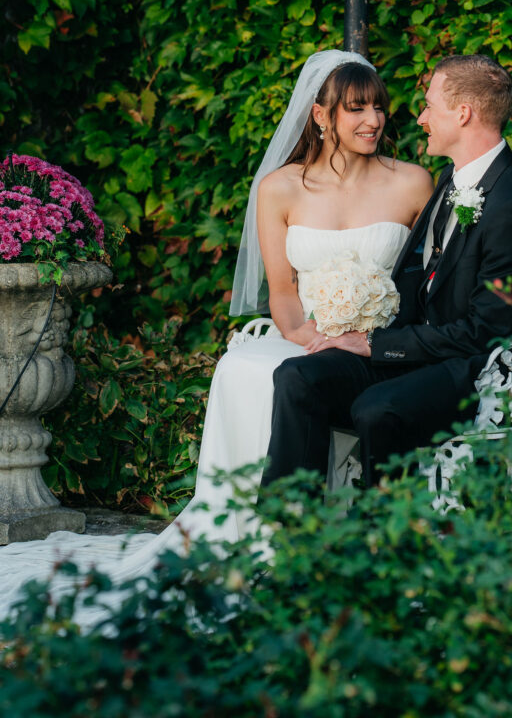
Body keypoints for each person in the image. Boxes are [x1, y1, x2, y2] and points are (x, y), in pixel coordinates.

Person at [0, 49, 433, 625]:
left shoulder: (413, 183)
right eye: (356, 108)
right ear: (321, 116)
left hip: (380, 342)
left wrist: (374, 335)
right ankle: (258, 537)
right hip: (307, 336)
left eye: (378, 107)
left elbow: (429, 280)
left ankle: (319, 538)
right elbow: (281, 292)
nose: (373, 120)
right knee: (248, 370)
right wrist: (305, 334)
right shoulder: (280, 189)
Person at [261, 53, 512, 489]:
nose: (419, 118)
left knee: (377, 408)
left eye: (430, 106)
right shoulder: (452, 181)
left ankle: (386, 536)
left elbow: (485, 332)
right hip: (420, 349)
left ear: (463, 113)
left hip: (467, 365)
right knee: (298, 377)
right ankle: (292, 532)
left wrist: (375, 343)